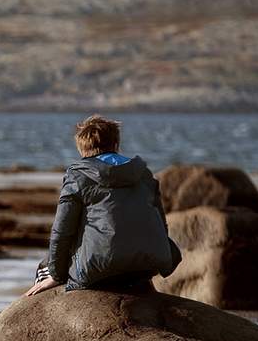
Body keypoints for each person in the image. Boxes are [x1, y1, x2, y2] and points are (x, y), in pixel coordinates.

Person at [24, 114, 181, 297]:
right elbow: (161, 225)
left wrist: (57, 276)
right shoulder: (143, 174)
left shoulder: (78, 176)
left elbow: (62, 231)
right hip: (148, 267)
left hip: (101, 271)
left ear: (82, 147)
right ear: (115, 144)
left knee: (44, 268)